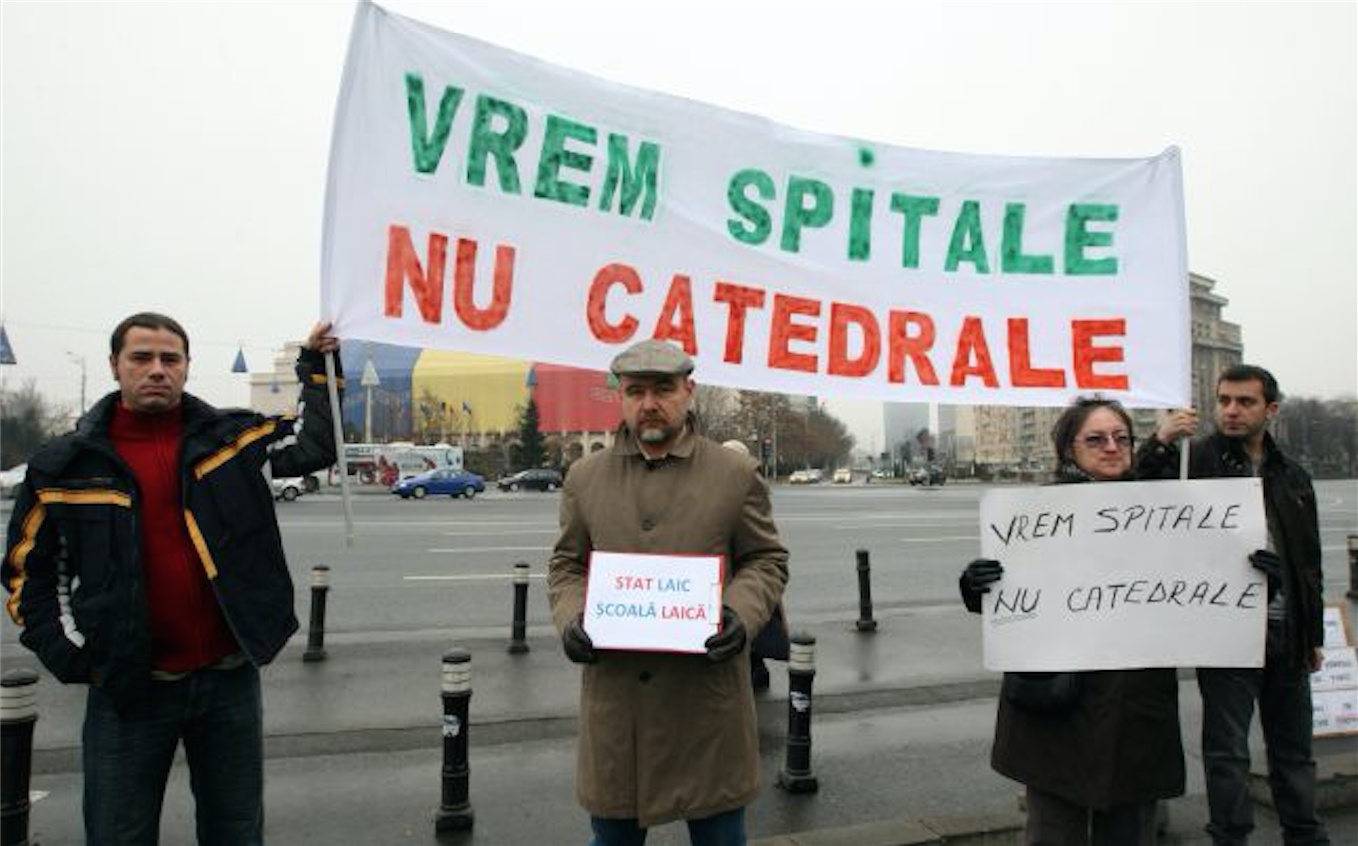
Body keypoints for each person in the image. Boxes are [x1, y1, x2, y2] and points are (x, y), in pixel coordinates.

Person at [3, 313, 341, 845]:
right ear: (115, 366)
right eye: (141, 358)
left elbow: (316, 445)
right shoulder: (64, 466)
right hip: (129, 690)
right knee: (120, 834)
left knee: (236, 833)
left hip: (229, 680)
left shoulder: (232, 441)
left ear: (186, 368)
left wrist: (318, 364)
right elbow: (30, 576)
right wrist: (78, 658)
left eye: (170, 359)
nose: (156, 370)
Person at [548, 339, 788, 846]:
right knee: (612, 838)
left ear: (690, 392)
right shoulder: (585, 477)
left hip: (708, 709)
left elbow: (766, 560)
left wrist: (740, 615)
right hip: (618, 709)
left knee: (721, 838)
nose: (649, 403)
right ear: (621, 397)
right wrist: (571, 618)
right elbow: (567, 566)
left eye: (663, 389)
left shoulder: (732, 473)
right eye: (635, 391)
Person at [959, 397, 1185, 846]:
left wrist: (1251, 580)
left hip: (1135, 705)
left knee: (1130, 830)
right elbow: (1018, 604)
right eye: (1096, 439)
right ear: (1069, 449)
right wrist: (976, 587)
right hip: (1058, 704)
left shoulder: (1168, 514)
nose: (1111, 447)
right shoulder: (1036, 518)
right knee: (1053, 832)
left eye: (1122, 438)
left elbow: (1200, 588)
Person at [1137, 365, 1330, 846]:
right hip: (1225, 632)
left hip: (1287, 634)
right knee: (1226, 753)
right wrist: (1160, 440)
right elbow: (1137, 495)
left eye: (1244, 401)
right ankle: (1230, 837)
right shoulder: (1195, 459)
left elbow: (1309, 562)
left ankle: (1304, 834)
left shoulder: (1292, 473)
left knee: (1294, 750)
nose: (1231, 410)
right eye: (1224, 400)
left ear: (1271, 410)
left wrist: (1314, 636)